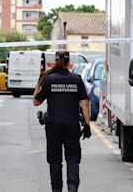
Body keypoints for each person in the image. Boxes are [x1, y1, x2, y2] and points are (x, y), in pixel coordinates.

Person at [33, 51, 91, 192]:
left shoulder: (49, 79)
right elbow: (84, 104)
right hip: (72, 124)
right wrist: (87, 125)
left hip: (53, 124)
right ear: (68, 62)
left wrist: (38, 83)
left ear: (55, 61)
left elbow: (36, 102)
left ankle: (56, 189)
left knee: (54, 160)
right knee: (72, 158)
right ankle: (72, 188)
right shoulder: (76, 79)